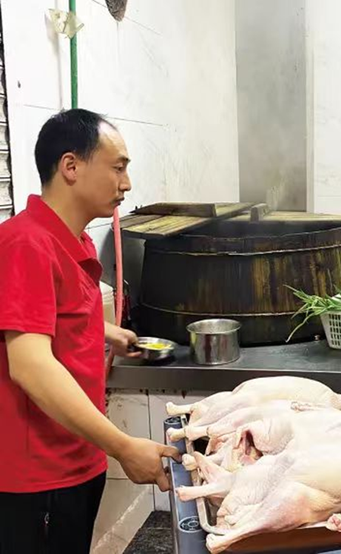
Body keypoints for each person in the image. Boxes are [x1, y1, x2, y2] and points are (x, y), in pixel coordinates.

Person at [0, 109, 181, 554]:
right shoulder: (25, 243)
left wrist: (103, 331)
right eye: (118, 167)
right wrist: (123, 446)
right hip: (37, 478)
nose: (126, 183)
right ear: (71, 167)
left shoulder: (73, 239)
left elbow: (44, 316)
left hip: (78, 458)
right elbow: (30, 365)